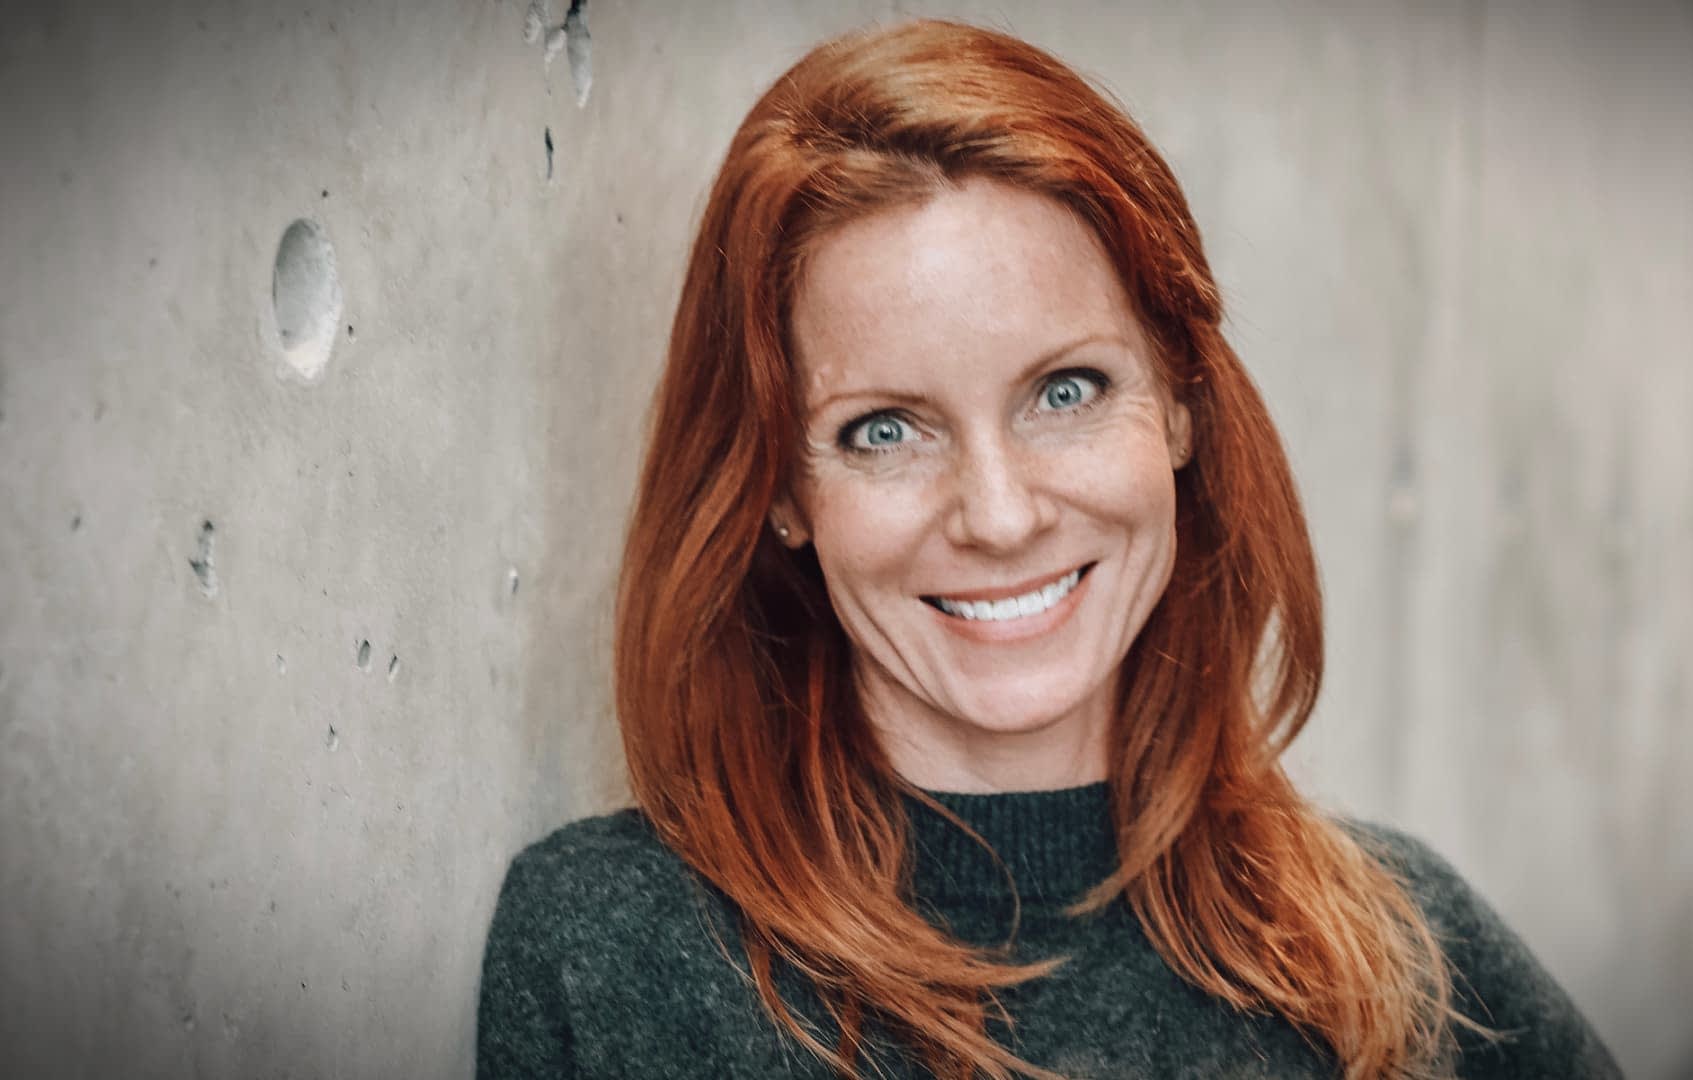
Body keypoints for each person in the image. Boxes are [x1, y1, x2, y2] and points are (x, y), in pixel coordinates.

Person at [478, 17, 1622, 1080]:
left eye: (1065, 390)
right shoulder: (609, 952)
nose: (1001, 513)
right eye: (884, 430)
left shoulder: (1403, 959)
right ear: (780, 488)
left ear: (1179, 403)